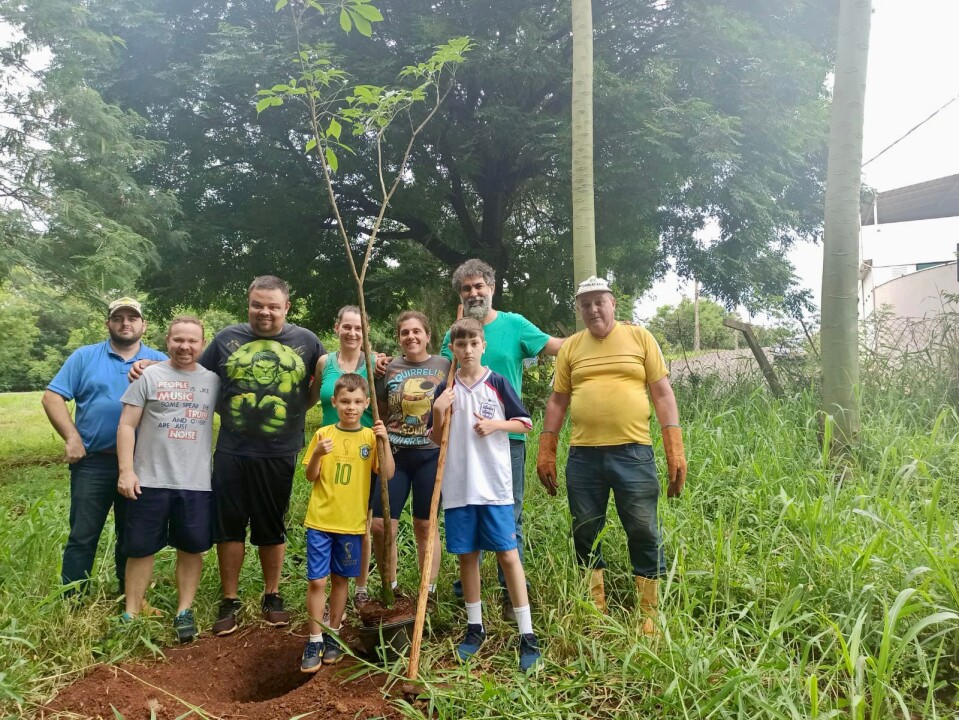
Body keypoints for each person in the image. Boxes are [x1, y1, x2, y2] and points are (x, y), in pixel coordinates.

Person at [133, 275, 325, 634]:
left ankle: (272, 594)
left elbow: (330, 375)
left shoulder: (307, 341)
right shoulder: (225, 340)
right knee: (230, 527)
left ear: (287, 307)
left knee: (272, 526)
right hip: (232, 449)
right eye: (257, 304)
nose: (264, 312)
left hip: (280, 451)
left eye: (272, 306)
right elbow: (188, 366)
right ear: (248, 303)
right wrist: (148, 363)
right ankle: (230, 599)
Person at [536, 276, 688, 632]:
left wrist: (674, 447)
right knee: (586, 529)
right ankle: (594, 606)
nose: (592, 309)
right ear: (579, 309)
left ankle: (649, 613)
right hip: (583, 458)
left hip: (634, 454)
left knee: (643, 529)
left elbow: (662, 394)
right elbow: (557, 401)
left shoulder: (640, 338)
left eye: (598, 302)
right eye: (585, 304)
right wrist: (546, 449)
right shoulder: (572, 347)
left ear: (613, 303)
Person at [439, 259, 564, 618]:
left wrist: (599, 335)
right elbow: (442, 373)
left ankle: (513, 598)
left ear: (492, 288)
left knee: (510, 515)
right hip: (463, 440)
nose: (474, 293)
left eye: (479, 286)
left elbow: (557, 346)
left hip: (506, 440)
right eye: (466, 289)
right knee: (466, 507)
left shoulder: (515, 325)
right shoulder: (454, 334)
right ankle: (469, 590)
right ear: (460, 295)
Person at [431, 317, 541, 672]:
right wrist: (437, 411)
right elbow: (436, 440)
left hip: (493, 487)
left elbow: (525, 422)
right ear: (452, 348)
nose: (466, 350)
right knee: (467, 558)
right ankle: (475, 629)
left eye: (472, 343)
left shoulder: (496, 382)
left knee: (508, 555)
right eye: (459, 344)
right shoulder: (445, 389)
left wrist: (496, 424)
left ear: (482, 345)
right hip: (459, 488)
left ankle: (527, 635)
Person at [42, 297, 167, 596]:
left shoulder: (160, 360)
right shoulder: (85, 357)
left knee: (133, 533)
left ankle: (129, 596)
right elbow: (52, 397)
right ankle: (74, 598)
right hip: (93, 463)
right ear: (108, 324)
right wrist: (72, 438)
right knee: (83, 534)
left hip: (141, 464)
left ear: (143, 325)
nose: (126, 323)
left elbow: (188, 381)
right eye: (119, 318)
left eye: (132, 318)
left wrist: (152, 365)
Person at [116, 316, 220, 642]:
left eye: (192, 341)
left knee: (191, 549)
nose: (185, 347)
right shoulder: (149, 376)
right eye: (178, 340)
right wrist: (126, 470)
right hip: (149, 479)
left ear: (202, 344)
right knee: (140, 549)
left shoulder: (214, 381)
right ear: (167, 342)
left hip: (195, 482)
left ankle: (184, 611)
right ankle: (131, 612)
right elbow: (126, 425)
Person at [299, 374, 394, 672]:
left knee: (341, 580)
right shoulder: (324, 434)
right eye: (345, 402)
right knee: (317, 580)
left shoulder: (369, 437)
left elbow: (388, 474)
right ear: (334, 402)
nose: (350, 407)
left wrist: (385, 441)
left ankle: (334, 635)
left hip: (352, 525)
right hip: (321, 520)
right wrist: (316, 453)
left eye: (356, 402)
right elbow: (310, 476)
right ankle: (315, 638)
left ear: (366, 403)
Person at [371, 311, 450, 600]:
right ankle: (389, 588)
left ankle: (426, 592)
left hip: (430, 454)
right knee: (381, 525)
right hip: (394, 454)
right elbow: (380, 407)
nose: (411, 337)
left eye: (417, 331)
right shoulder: (387, 368)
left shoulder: (445, 364)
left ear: (428, 335)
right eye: (405, 332)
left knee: (425, 525)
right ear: (399, 338)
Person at [308, 305, 374, 608]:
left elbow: (381, 401)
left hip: (362, 446)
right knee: (329, 511)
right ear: (337, 328)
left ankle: (360, 586)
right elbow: (310, 397)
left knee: (362, 520)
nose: (352, 333)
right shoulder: (324, 362)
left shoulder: (374, 362)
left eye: (358, 328)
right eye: (347, 326)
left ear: (365, 331)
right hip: (328, 447)